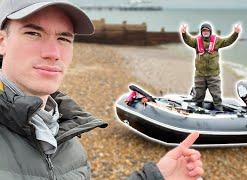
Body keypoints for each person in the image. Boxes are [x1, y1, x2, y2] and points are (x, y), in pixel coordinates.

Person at [0, 0, 203, 179]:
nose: (53, 53)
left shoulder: (68, 139)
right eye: (33, 33)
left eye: (63, 38)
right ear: (2, 42)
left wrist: (155, 176)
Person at [180, 22, 242, 111]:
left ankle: (219, 112)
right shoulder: (196, 42)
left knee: (217, 97)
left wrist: (236, 33)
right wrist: (184, 33)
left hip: (213, 76)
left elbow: (228, 41)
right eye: (203, 31)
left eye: (207, 30)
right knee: (198, 97)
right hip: (200, 76)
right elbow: (188, 40)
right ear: (201, 32)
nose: (205, 32)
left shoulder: (217, 41)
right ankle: (197, 112)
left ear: (210, 32)